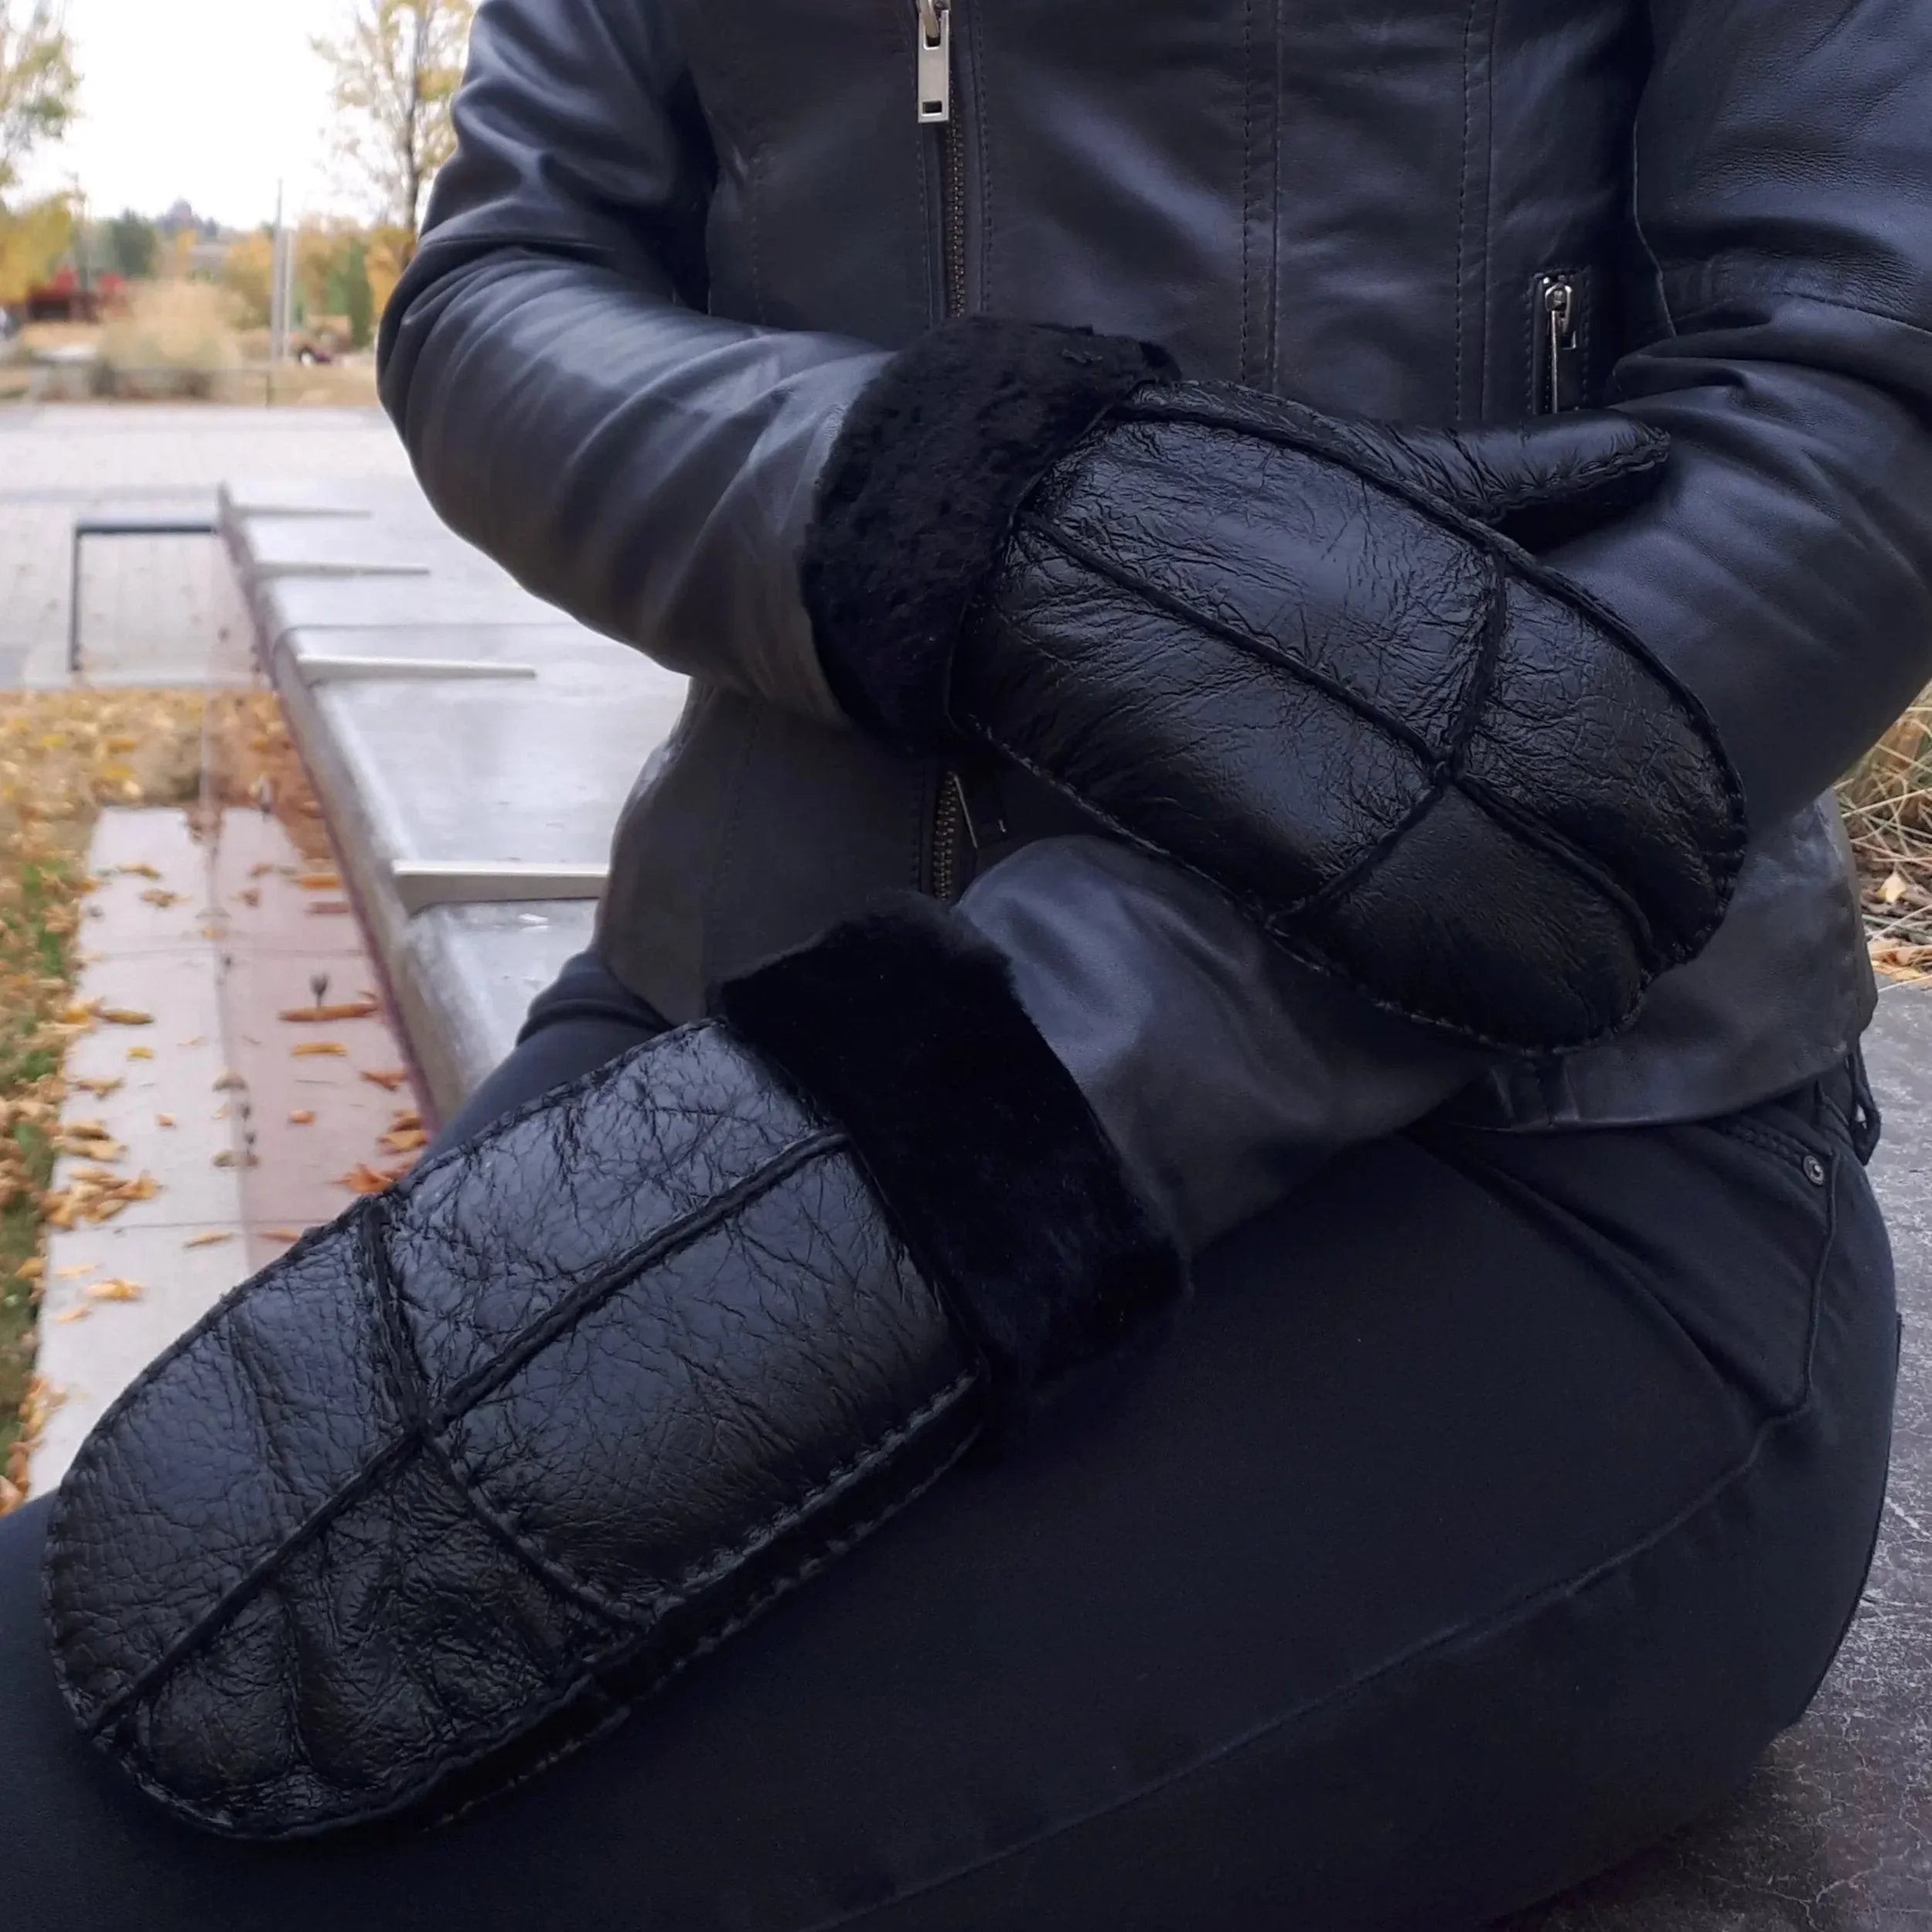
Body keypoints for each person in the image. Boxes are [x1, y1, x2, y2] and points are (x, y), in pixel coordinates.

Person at [2, 0, 1927, 1924]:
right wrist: (938, 502)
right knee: (137, 1702)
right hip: (747, 1019)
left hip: (1529, 1137)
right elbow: (498, 282)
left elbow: (1854, 403)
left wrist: (996, 1080)